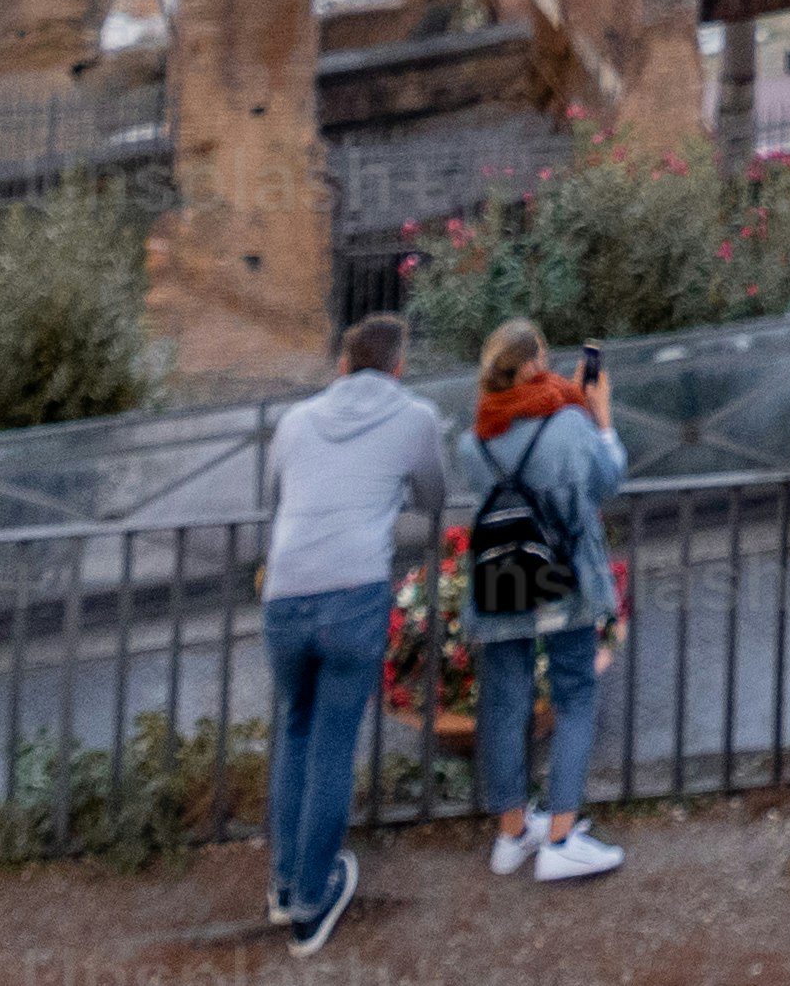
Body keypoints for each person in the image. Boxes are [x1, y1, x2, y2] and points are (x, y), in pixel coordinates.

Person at [252, 311, 454, 949]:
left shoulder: (293, 421)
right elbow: (434, 497)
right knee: (334, 744)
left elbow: (276, 495)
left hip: (286, 593)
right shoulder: (416, 417)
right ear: (398, 367)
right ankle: (314, 902)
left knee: (296, 731)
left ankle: (286, 888)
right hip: (353, 595)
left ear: (341, 365)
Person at [467, 312, 628, 883]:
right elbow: (609, 479)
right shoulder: (568, 423)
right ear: (535, 365)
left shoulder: (476, 437)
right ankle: (560, 836)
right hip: (563, 576)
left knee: (505, 701)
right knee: (575, 693)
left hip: (502, 577)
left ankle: (514, 834)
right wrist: (601, 416)